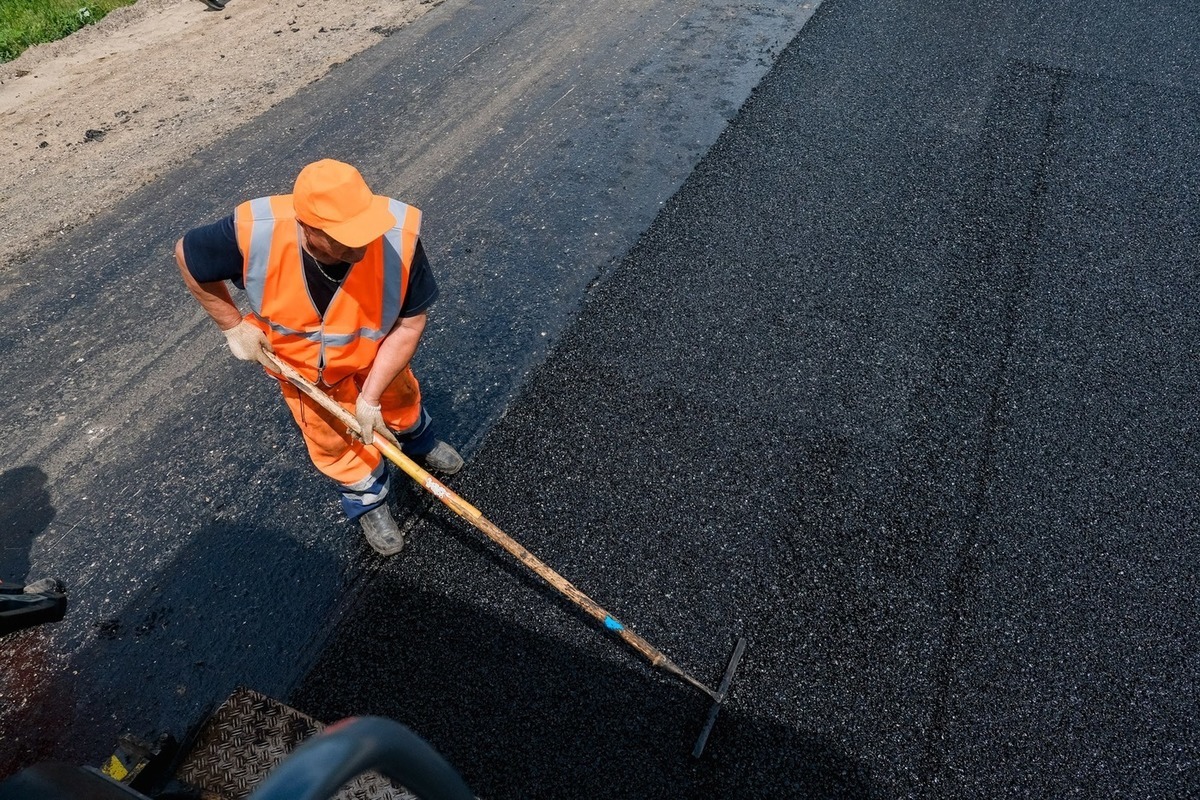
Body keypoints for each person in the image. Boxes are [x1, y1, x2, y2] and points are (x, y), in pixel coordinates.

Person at [175, 159, 463, 557]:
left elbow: (411, 323)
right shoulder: (254, 232)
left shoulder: (397, 236)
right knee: (334, 443)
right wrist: (231, 325)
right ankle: (370, 501)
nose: (362, 246)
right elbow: (187, 257)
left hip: (379, 352)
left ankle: (419, 440)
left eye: (364, 233)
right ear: (307, 226)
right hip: (306, 374)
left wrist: (371, 396)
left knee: (401, 401)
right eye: (345, 240)